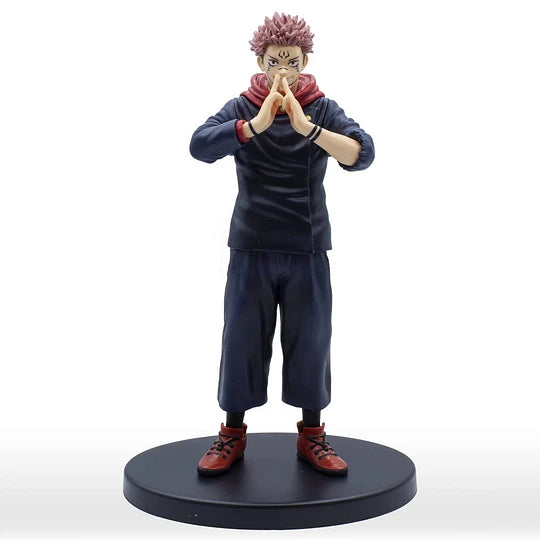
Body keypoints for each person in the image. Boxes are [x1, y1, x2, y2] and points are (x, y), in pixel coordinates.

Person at [189, 12, 375, 477]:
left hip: (307, 246)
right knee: (241, 340)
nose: (283, 72)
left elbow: (362, 153)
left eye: (292, 62)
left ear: (305, 61)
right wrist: (254, 124)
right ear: (260, 61)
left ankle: (312, 434)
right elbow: (200, 146)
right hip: (251, 245)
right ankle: (232, 433)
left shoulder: (323, 109)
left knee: (311, 340)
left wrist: (306, 127)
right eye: (275, 62)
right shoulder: (242, 106)